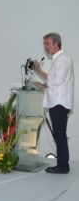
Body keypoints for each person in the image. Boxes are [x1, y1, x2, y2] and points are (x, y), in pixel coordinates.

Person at [34, 33, 74, 174]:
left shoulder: (64, 59)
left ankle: (63, 166)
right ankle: (62, 164)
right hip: (56, 102)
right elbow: (55, 83)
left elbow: (57, 81)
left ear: (56, 44)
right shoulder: (58, 60)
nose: (45, 47)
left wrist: (39, 71)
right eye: (44, 44)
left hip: (59, 103)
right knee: (58, 134)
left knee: (60, 134)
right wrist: (44, 85)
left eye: (47, 44)